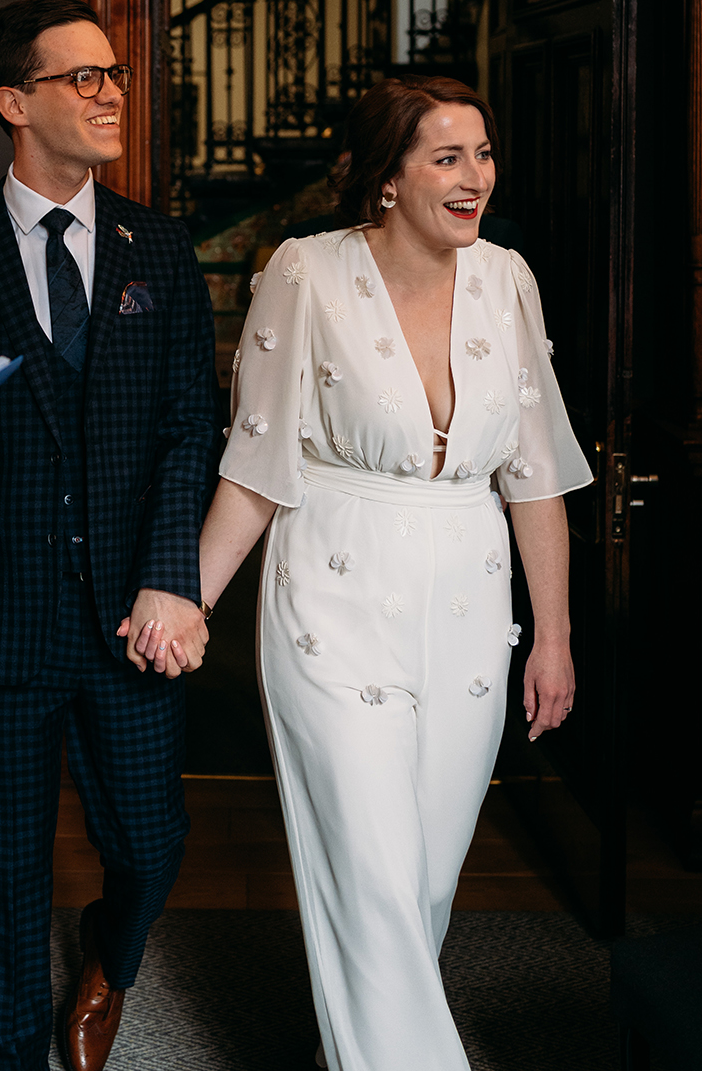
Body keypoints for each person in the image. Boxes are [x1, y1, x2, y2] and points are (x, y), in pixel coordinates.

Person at [197, 75, 591, 1071]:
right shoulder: (306, 270)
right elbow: (255, 462)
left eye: (484, 154)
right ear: (386, 177)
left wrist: (553, 637)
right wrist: (187, 600)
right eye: (447, 157)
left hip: (469, 597)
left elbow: (536, 477)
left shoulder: (508, 279)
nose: (475, 178)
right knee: (370, 874)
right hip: (334, 588)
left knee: (417, 885)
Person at [0, 0, 218, 1071]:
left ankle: (109, 961)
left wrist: (176, 579)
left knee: (151, 842)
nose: (111, 89)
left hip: (134, 616)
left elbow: (187, 430)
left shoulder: (160, 249)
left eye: (111, 71)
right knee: (2, 868)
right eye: (81, 77)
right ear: (12, 101)